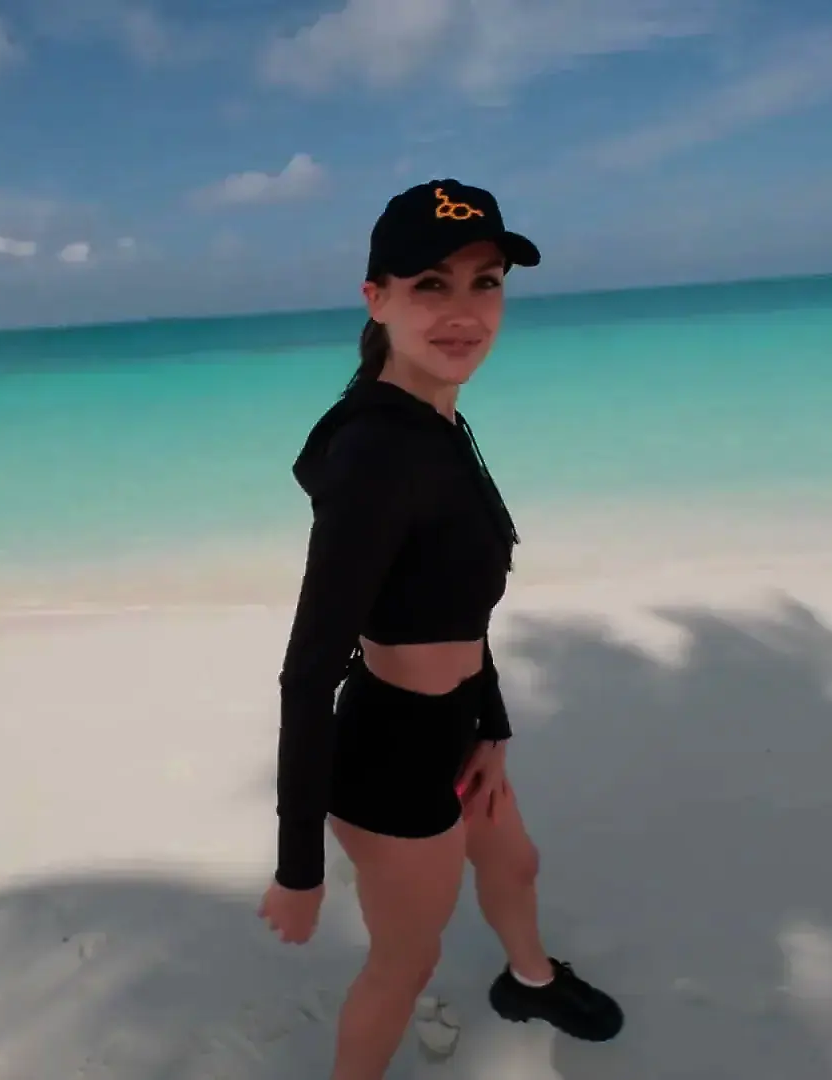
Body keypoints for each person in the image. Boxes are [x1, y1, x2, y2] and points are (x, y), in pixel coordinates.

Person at [257, 179, 624, 1079]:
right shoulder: (377, 454)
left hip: (456, 725)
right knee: (405, 962)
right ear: (377, 298)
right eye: (431, 284)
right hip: (390, 759)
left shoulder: (437, 419)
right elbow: (308, 671)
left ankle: (529, 980)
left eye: (485, 282)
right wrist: (299, 870)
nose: (465, 312)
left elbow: (457, 602)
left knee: (516, 865)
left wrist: (489, 721)